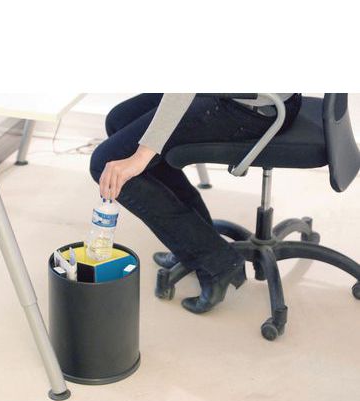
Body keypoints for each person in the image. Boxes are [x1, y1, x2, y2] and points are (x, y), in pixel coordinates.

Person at [89, 93, 302, 313]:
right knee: (119, 120)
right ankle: (196, 244)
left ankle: (217, 261)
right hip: (246, 96)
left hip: (252, 108)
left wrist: (141, 156)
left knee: (105, 162)